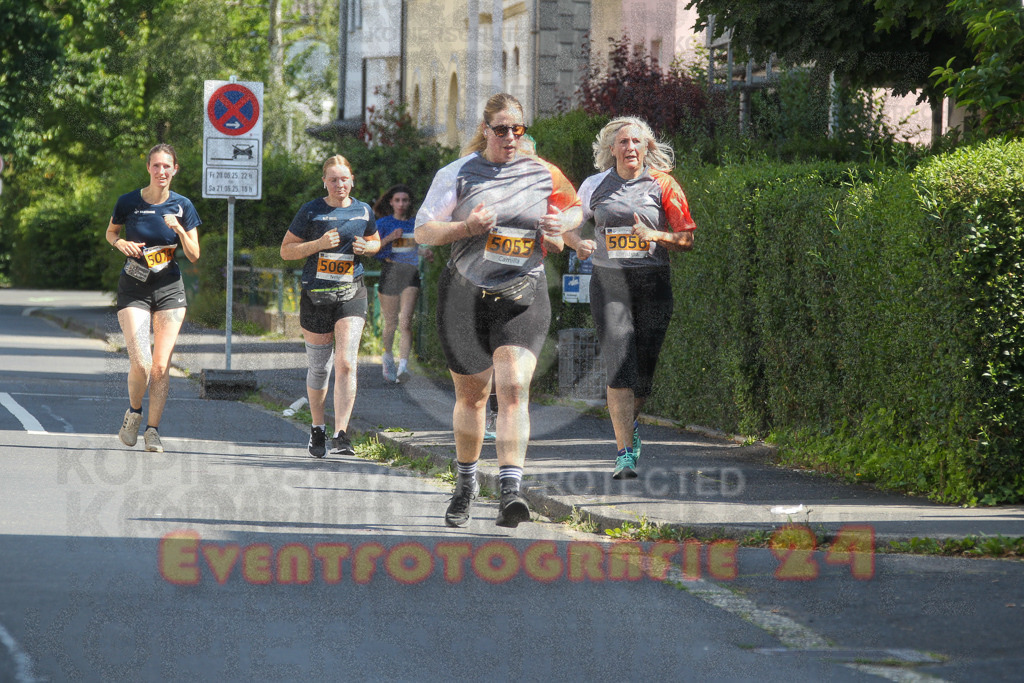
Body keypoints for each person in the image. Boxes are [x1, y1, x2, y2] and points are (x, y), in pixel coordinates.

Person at [415, 92, 582, 528]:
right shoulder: (457, 173)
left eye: (517, 129)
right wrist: (466, 226)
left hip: (522, 294)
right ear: (486, 130)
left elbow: (576, 209)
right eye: (502, 129)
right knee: (472, 398)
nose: (511, 137)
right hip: (464, 297)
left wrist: (560, 224)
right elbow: (423, 231)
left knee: (513, 388)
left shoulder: (543, 172)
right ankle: (466, 483)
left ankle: (511, 491)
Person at [564, 116, 696, 479]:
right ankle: (624, 453)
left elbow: (687, 238)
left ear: (647, 147)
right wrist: (578, 244)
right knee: (620, 364)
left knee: (644, 373)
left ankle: (629, 426)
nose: (630, 148)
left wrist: (656, 236)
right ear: (612, 149)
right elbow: (568, 227)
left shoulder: (663, 184)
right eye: (623, 142)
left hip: (653, 283)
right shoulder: (594, 185)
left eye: (637, 142)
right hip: (609, 284)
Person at [280, 155, 380, 458]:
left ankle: (342, 434)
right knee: (320, 367)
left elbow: (375, 241)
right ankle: (318, 427)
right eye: (333, 179)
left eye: (344, 179)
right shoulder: (311, 210)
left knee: (346, 362)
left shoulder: (363, 210)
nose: (340, 184)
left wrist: (368, 247)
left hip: (352, 291)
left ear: (352, 181)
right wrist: (318, 244)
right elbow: (286, 251)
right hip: (316, 294)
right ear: (324, 181)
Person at [105, 143, 201, 453]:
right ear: (148, 167)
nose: (161, 171)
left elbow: (194, 254)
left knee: (161, 367)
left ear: (175, 170)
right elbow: (111, 232)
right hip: (134, 287)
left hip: (169, 289)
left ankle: (153, 431)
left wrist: (179, 230)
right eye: (156, 165)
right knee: (142, 362)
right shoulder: (129, 202)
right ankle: (134, 412)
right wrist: (119, 244)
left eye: (167, 166)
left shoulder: (183, 205)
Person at [372, 184, 432, 383]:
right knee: (391, 323)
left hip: (410, 274)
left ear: (409, 202)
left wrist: (425, 252)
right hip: (390, 272)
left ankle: (404, 367)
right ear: (391, 202)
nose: (401, 204)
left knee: (406, 321)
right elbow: (372, 250)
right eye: (397, 200)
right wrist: (390, 237)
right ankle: (388, 357)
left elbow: (412, 247)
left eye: (404, 200)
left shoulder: (415, 224)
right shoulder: (383, 223)